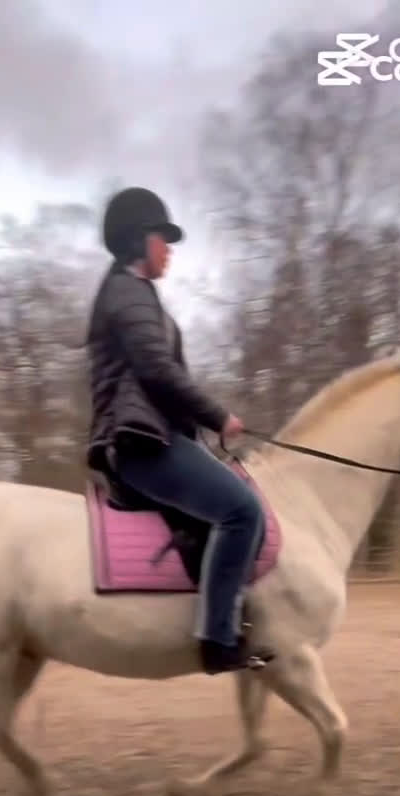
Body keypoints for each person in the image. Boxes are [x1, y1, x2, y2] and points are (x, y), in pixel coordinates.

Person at [85, 186, 274, 676]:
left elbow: (159, 375)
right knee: (242, 510)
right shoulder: (128, 292)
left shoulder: (137, 294)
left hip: (157, 435)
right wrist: (218, 417)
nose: (168, 249)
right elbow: (156, 371)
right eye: (161, 238)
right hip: (141, 443)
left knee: (234, 502)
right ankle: (217, 638)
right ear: (135, 242)